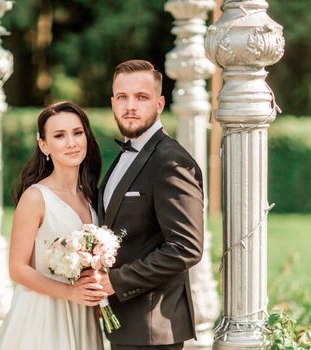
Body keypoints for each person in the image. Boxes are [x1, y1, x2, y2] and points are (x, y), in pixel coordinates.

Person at [83, 59, 204, 350]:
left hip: (154, 326)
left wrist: (116, 282)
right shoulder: (126, 155)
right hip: (125, 324)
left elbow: (186, 246)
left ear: (160, 103)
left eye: (142, 97)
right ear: (113, 102)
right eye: (122, 97)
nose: (130, 106)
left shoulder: (171, 161)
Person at [0, 101, 106, 350]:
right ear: (44, 145)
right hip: (44, 313)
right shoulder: (35, 197)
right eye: (59, 136)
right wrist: (69, 293)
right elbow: (18, 269)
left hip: (82, 313)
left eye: (77, 132)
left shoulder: (90, 195)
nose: (71, 142)